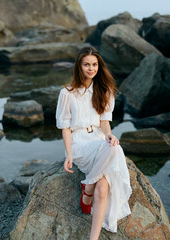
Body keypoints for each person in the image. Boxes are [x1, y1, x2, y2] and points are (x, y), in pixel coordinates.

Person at [55, 46, 132, 240]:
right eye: (87, 64)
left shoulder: (105, 90)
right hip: (80, 142)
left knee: (104, 184)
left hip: (99, 138)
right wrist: (69, 154)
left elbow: (104, 123)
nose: (91, 68)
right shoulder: (67, 93)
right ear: (79, 67)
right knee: (113, 151)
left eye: (95, 64)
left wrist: (109, 136)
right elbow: (65, 127)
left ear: (99, 66)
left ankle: (93, 237)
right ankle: (88, 186)